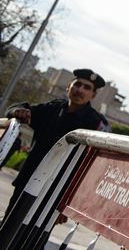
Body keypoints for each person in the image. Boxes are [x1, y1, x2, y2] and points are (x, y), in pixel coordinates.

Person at [3, 68, 111, 213]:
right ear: (69, 86)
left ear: (93, 95)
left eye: (87, 88)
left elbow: (92, 166)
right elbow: (19, 108)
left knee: (35, 233)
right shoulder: (52, 108)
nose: (80, 90)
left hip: (55, 192)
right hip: (28, 182)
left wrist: (68, 201)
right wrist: (17, 112)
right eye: (77, 84)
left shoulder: (95, 123)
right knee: (8, 228)